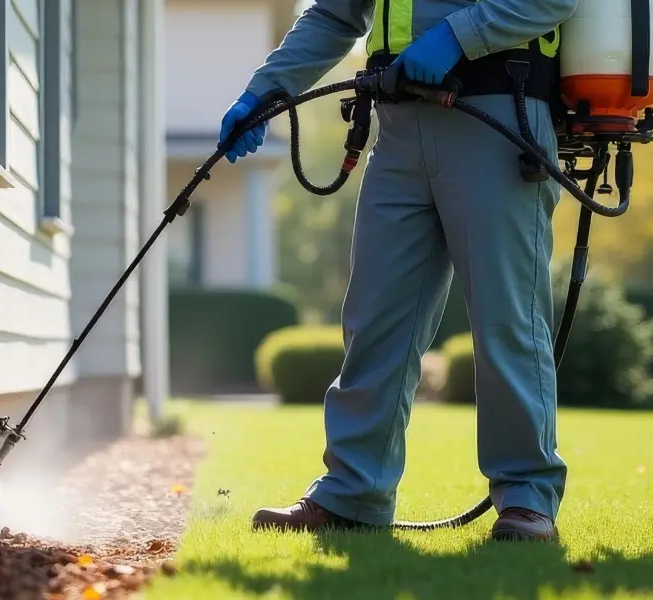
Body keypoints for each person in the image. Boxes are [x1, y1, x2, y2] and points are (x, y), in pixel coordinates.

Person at [219, 0, 578, 542]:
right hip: (397, 127)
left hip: (501, 112)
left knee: (507, 320)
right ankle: (353, 493)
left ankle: (527, 497)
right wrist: (262, 92)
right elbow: (336, 16)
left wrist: (458, 37)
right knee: (376, 319)